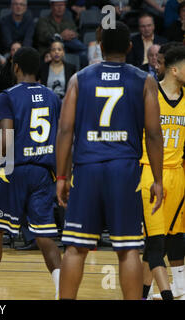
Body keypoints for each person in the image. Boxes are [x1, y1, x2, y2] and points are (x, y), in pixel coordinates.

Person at [56, 21, 164, 300]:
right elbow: (153, 134)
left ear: (100, 47)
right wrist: (158, 179)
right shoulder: (145, 80)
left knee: (75, 247)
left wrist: (61, 177)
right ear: (130, 47)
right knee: (128, 249)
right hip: (124, 169)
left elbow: (65, 130)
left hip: (88, 168)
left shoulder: (79, 78)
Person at [0, 46, 63, 300]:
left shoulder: (8, 95)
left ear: (15, 66)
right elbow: (59, 137)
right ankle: (62, 293)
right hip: (43, 172)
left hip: (13, 170)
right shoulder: (52, 96)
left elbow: (5, 138)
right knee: (45, 235)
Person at [141, 45, 185, 300]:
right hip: (149, 173)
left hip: (177, 175)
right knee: (155, 243)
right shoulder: (149, 94)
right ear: (175, 69)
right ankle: (168, 294)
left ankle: (142, 294)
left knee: (168, 241)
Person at [35, 0, 87, 67]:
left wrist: (73, 35)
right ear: (51, 6)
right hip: (49, 50)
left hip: (69, 49)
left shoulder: (68, 21)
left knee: (83, 54)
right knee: (63, 44)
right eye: (57, 5)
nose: (60, 8)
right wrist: (60, 36)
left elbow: (76, 33)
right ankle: (86, 48)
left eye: (62, 5)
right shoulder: (43, 21)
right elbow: (43, 37)